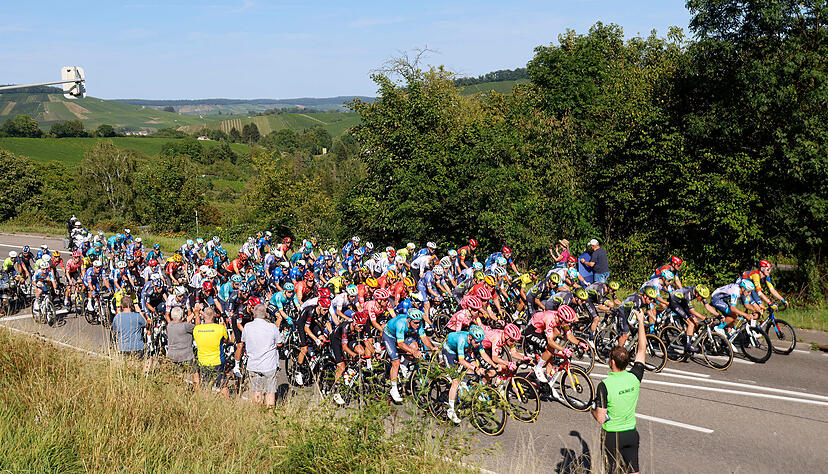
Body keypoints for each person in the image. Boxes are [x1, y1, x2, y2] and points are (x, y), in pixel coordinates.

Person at [592, 307, 647, 474]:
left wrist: (592, 410)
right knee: (634, 471)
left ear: (612, 363)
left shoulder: (605, 385)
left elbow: (601, 418)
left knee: (612, 470)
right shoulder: (635, 376)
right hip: (631, 433)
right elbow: (642, 349)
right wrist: (641, 321)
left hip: (612, 436)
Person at [241, 304, 282, 406]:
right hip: (269, 365)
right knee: (270, 391)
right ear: (266, 314)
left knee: (256, 390)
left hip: (253, 364)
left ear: (254, 314)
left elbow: (244, 340)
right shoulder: (272, 327)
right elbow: (279, 343)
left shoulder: (247, 327)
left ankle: (257, 412)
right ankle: (269, 413)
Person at [193, 307, 230, 397]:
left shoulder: (197, 329)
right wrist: (223, 326)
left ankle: (206, 405)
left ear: (204, 316)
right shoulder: (220, 328)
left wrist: (197, 314)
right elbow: (226, 340)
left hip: (203, 361)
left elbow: (197, 326)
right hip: (218, 361)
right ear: (214, 316)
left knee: (205, 386)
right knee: (223, 385)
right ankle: (228, 404)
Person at [111, 296, 151, 372]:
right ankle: (145, 375)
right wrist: (139, 312)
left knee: (129, 362)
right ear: (132, 305)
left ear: (122, 306)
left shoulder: (117, 317)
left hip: (123, 347)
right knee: (148, 357)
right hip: (138, 347)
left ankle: (130, 373)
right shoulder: (137, 316)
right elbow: (146, 324)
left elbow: (115, 331)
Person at [166, 305, 197, 385]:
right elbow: (197, 328)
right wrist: (196, 314)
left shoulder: (169, 325)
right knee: (195, 372)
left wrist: (193, 313)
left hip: (173, 355)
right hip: (186, 355)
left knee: (177, 375)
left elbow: (182, 323)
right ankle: (198, 390)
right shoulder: (186, 326)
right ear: (182, 316)